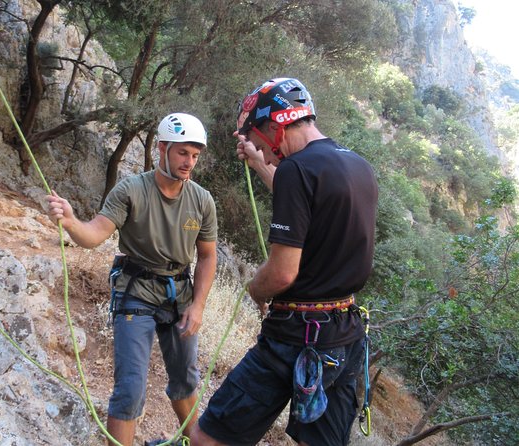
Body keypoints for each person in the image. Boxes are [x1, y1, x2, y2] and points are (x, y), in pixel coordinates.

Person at [190, 77, 378, 446]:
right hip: (345, 335)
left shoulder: (297, 170)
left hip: (295, 338)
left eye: (260, 139)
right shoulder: (357, 166)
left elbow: (282, 272)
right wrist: (262, 165)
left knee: (208, 439)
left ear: (274, 126)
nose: (265, 150)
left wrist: (255, 289)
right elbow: (311, 203)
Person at [46, 112, 218, 446]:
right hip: (136, 292)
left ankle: (192, 442)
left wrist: (197, 306)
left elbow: (208, 256)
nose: (189, 162)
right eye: (183, 152)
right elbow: (94, 234)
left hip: (180, 293)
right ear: (163, 148)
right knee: (131, 387)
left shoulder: (201, 200)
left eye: (195, 156)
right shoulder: (132, 190)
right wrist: (70, 222)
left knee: (185, 378)